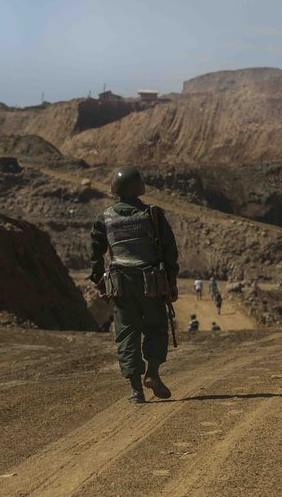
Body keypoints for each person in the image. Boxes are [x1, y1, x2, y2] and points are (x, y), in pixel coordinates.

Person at [90, 166, 179, 404]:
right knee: (156, 327)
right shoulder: (153, 214)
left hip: (120, 283)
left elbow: (95, 254)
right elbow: (170, 251)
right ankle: (152, 372)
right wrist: (171, 281)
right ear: (139, 187)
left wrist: (98, 278)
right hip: (151, 281)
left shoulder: (104, 217)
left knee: (126, 333)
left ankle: (136, 390)